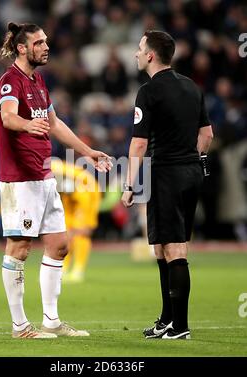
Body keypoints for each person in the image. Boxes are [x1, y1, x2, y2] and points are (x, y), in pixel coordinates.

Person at [0, 22, 112, 339]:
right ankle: (20, 326)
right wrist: (26, 125)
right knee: (19, 248)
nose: (46, 47)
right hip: (20, 180)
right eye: (39, 42)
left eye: (46, 42)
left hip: (44, 176)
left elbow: (56, 124)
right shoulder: (10, 82)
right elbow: (8, 116)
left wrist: (87, 152)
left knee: (59, 246)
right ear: (22, 47)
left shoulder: (39, 82)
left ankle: (51, 321)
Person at [121, 30, 213, 340]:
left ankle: (181, 326)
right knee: (162, 248)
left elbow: (138, 145)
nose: (136, 53)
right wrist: (193, 159)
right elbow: (207, 135)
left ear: (150, 55)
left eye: (139, 48)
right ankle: (166, 319)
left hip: (166, 175)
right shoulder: (191, 87)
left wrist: (129, 185)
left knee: (174, 249)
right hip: (190, 172)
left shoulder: (148, 92)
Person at [51, 159, 101, 283]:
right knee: (65, 233)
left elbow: (71, 188)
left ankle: (78, 270)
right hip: (69, 195)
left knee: (80, 233)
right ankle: (63, 269)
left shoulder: (55, 171)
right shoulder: (51, 168)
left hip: (86, 193)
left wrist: (87, 224)